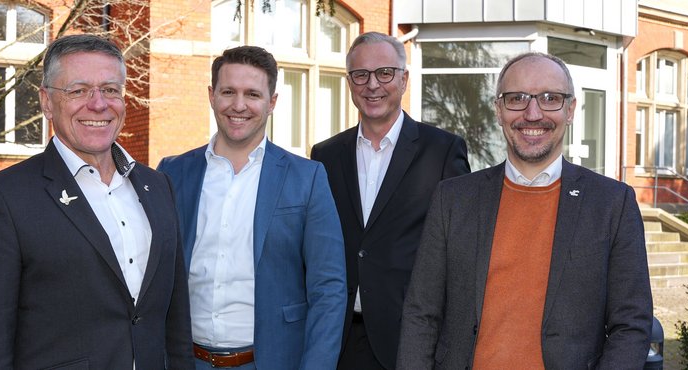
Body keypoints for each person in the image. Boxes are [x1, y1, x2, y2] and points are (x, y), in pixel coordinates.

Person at [396, 52, 653, 369]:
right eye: (516, 98)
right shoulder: (452, 199)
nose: (533, 114)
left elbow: (631, 325)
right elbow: (422, 314)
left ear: (570, 109)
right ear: (499, 110)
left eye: (550, 98)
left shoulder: (613, 203)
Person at [0, 34, 194, 369]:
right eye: (78, 90)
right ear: (45, 101)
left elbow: (176, 321)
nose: (98, 104)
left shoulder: (158, 186)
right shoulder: (5, 199)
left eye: (111, 89)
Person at [157, 45, 346, 369]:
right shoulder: (171, 174)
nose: (238, 105)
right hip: (187, 362)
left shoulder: (307, 178)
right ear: (211, 95)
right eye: (228, 91)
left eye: (252, 94)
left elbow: (328, 289)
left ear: (272, 102)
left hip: (272, 362)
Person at [310, 32, 470, 370]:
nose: (373, 85)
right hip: (339, 342)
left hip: (409, 340)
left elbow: (459, 254)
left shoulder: (442, 151)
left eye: (385, 73)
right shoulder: (324, 155)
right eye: (361, 75)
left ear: (404, 79)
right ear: (349, 82)